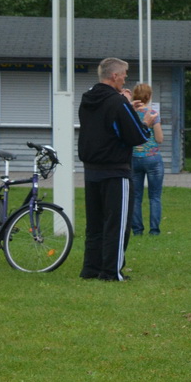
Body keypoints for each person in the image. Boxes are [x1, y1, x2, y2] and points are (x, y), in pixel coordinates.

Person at [77, 58, 150, 281]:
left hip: (91, 170)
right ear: (115, 76)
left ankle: (91, 268)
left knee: (95, 223)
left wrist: (128, 107)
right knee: (117, 224)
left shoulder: (87, 98)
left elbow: (107, 123)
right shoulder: (117, 103)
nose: (126, 78)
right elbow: (136, 136)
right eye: (125, 74)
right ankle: (111, 272)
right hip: (115, 170)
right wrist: (144, 121)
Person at [127, 83, 165, 237]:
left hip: (134, 158)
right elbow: (159, 138)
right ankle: (154, 231)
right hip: (152, 158)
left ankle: (137, 231)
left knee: (136, 197)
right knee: (154, 196)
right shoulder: (153, 114)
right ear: (149, 97)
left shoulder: (130, 113)